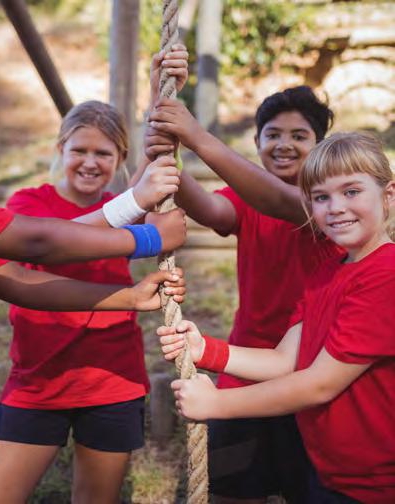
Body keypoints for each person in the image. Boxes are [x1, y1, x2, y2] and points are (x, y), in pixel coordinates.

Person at [0, 40, 186, 504]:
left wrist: (130, 297)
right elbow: (41, 242)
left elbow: (22, 280)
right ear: (60, 149)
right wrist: (148, 238)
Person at [0, 46, 189, 504]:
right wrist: (132, 205)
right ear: (61, 150)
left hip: (110, 376)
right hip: (40, 378)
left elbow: (155, 159)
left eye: (104, 153)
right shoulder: (30, 205)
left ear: (120, 158)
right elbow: (53, 243)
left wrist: (157, 92)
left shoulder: (124, 204)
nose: (90, 162)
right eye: (79, 150)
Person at [159, 132, 395, 504]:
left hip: (373, 482)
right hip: (330, 468)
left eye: (351, 191)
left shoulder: (386, 275)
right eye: (321, 197)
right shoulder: (328, 271)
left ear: (388, 195)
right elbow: (285, 361)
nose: (336, 207)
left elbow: (320, 384)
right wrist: (205, 350)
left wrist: (218, 404)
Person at [146, 86, 338, 502]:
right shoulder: (246, 199)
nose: (284, 144)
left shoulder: (328, 207)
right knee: (232, 487)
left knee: (309, 489)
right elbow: (208, 208)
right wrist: (165, 156)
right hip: (245, 364)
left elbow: (280, 201)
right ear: (256, 141)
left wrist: (197, 136)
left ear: (319, 146)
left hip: (313, 370)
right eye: (273, 134)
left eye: (299, 136)